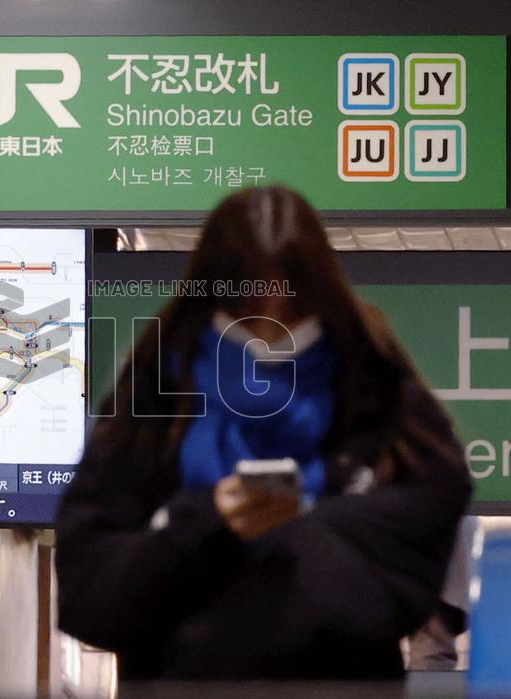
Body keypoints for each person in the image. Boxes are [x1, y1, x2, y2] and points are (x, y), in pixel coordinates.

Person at [55, 186, 472, 681]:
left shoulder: (373, 382)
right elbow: (89, 595)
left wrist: (303, 526)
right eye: (245, 307)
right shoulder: (160, 385)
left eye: (291, 311)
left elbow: (414, 556)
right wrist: (205, 525)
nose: (269, 329)